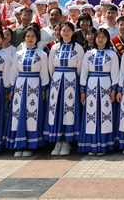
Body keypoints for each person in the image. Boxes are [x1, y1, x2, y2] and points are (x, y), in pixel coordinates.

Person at [5, 27, 50, 157]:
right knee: (19, 114)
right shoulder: (18, 54)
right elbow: (14, 72)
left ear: (37, 39)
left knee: (32, 114)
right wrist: (12, 88)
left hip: (35, 86)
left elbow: (44, 73)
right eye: (28, 36)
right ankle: (19, 144)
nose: (30, 38)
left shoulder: (42, 54)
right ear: (24, 38)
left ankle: (31, 145)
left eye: (33, 36)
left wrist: (43, 88)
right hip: (20, 86)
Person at [78, 28, 120, 156]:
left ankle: (104, 145)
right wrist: (82, 91)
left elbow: (115, 73)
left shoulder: (112, 54)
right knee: (91, 115)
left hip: (106, 85)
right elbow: (84, 73)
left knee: (105, 115)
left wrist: (114, 90)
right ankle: (91, 145)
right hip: (91, 86)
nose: (100, 39)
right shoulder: (88, 54)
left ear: (107, 39)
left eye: (103, 37)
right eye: (98, 37)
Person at [45, 22, 84, 156]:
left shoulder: (78, 48)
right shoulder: (55, 48)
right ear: (59, 32)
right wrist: (56, 79)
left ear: (73, 32)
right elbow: (51, 67)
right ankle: (58, 141)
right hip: (57, 82)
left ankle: (67, 142)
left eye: (68, 30)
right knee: (56, 110)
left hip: (71, 82)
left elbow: (80, 68)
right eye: (63, 30)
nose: (66, 32)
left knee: (69, 110)